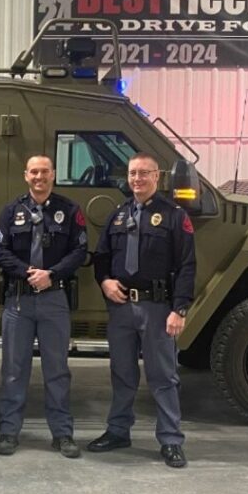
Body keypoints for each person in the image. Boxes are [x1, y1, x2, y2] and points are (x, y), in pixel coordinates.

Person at [87, 151, 196, 468]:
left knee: (163, 377)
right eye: (133, 174)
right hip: (121, 309)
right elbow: (102, 257)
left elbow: (187, 265)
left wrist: (180, 309)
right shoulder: (118, 215)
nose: (137, 179)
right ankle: (118, 431)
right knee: (122, 374)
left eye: (143, 173)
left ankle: (171, 440)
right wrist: (105, 281)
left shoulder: (175, 216)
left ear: (156, 177)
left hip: (158, 308)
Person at [0, 155, 90, 458]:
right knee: (13, 369)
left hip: (54, 298)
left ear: (53, 175)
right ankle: (9, 432)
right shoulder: (11, 211)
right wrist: (27, 273)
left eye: (44, 171)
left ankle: (62, 434)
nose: (39, 177)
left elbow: (80, 250)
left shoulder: (70, 211)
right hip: (18, 299)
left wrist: (52, 274)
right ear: (26, 175)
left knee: (57, 370)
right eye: (34, 171)